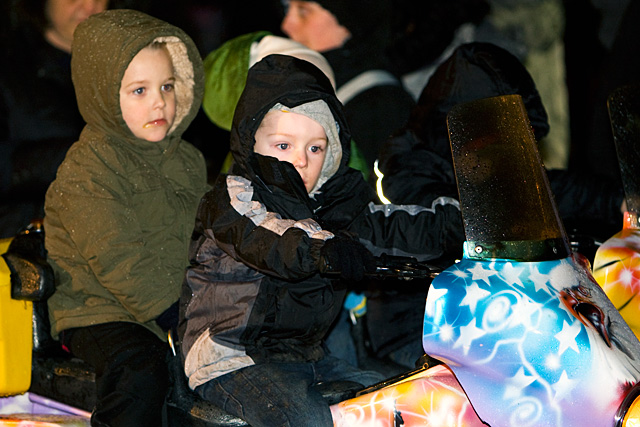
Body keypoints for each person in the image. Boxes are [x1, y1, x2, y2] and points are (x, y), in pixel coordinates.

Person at [178, 53, 464, 426]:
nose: (301, 160)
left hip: (305, 356)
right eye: (284, 145)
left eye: (315, 148)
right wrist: (323, 250)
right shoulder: (234, 197)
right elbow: (268, 237)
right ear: (251, 141)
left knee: (401, 403)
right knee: (306, 421)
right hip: (230, 356)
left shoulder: (332, 205)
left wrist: (459, 223)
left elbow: (388, 225)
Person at [43, 9, 208, 426]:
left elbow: (209, 229)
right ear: (103, 95)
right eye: (139, 90)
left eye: (167, 86)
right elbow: (117, 255)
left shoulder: (186, 160)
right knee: (141, 369)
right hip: (99, 308)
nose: (159, 101)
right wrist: (176, 314)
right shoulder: (89, 170)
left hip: (173, 305)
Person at [0, 0, 109, 239]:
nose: (89, 5)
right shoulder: (11, 69)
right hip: (29, 241)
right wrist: (83, 157)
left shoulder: (134, 65)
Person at [280, 0, 415, 177]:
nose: (286, 25)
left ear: (350, 23)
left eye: (304, 11)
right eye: (286, 8)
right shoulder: (309, 91)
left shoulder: (381, 108)